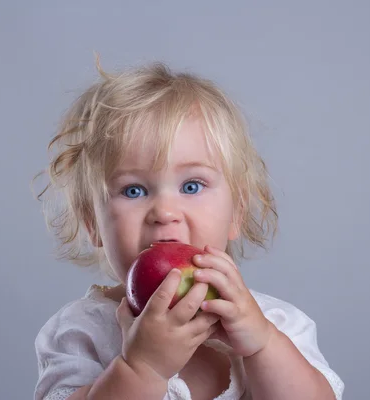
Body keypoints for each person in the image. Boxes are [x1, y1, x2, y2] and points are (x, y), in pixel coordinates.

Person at [31, 59, 344, 400]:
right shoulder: (82, 333)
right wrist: (142, 368)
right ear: (93, 222)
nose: (165, 213)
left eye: (192, 186)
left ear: (237, 211)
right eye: (133, 190)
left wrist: (262, 345)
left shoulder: (277, 323)